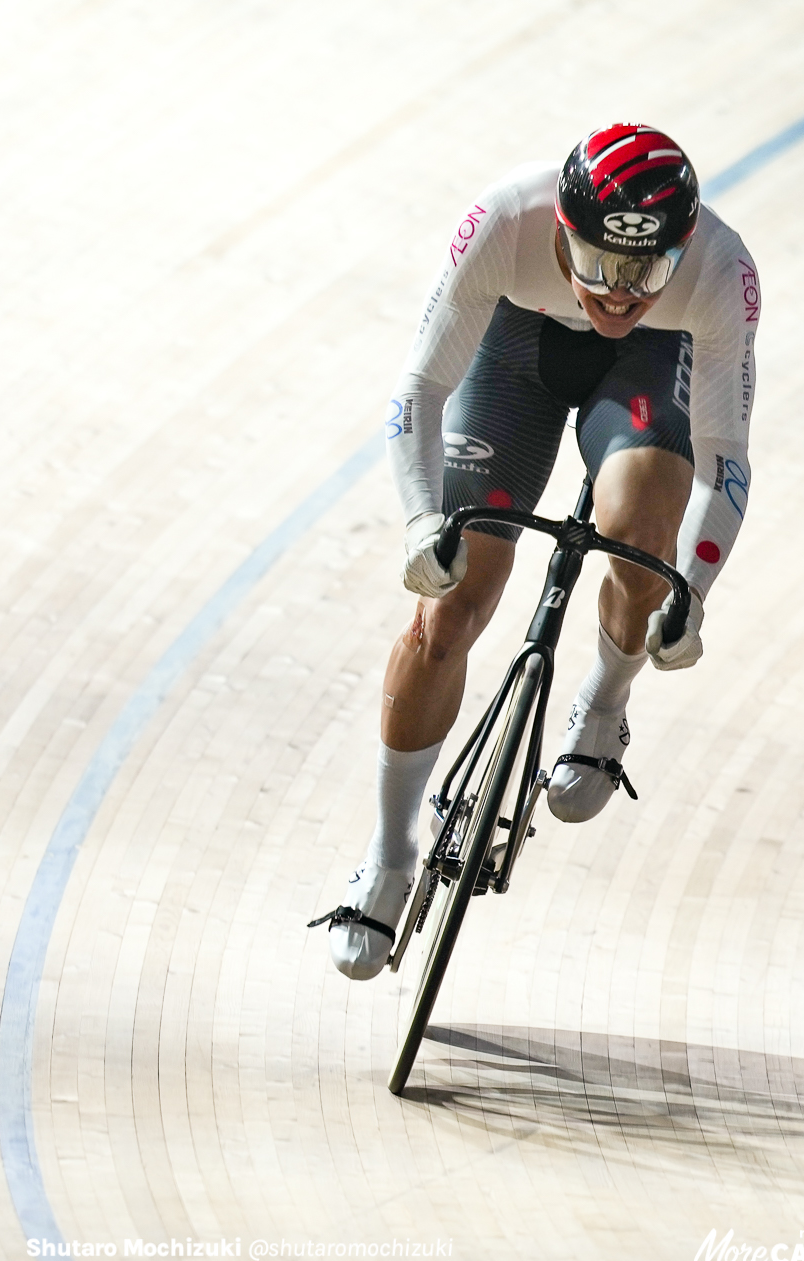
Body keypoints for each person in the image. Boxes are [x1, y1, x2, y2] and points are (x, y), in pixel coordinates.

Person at [309, 124, 761, 979]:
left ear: (682, 249)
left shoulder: (720, 269)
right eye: (598, 263)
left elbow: (725, 457)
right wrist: (419, 525)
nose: (619, 293)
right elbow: (421, 388)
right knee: (449, 605)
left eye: (645, 271)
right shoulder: (503, 220)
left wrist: (690, 592)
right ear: (559, 225)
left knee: (639, 539)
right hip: (517, 353)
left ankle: (602, 703)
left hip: (647, 375)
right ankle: (390, 852)